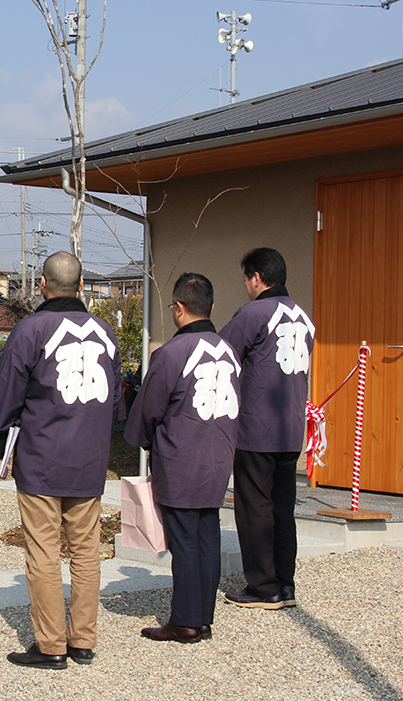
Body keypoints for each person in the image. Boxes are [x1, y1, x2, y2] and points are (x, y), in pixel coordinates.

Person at [0, 251, 123, 670]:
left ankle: (51, 645)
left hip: (42, 457)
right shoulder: (106, 333)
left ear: (42, 284)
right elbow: (116, 408)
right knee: (86, 551)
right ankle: (83, 640)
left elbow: (6, 395)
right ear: (81, 286)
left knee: (42, 552)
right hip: (90, 459)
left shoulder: (30, 330)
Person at [125, 273, 241, 643]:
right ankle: (202, 616)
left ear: (178, 308)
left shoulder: (172, 353)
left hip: (181, 454)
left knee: (185, 539)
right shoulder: (230, 352)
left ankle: (187, 620)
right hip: (219, 454)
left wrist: (143, 442)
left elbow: (149, 411)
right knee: (208, 533)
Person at [219, 248, 314, 609]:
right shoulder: (303, 317)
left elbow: (223, 355)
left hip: (257, 426)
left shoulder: (254, 313)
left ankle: (263, 586)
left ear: (256, 277)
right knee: (281, 507)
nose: (245, 285)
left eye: (246, 278)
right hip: (291, 425)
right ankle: (284, 583)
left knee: (254, 506)